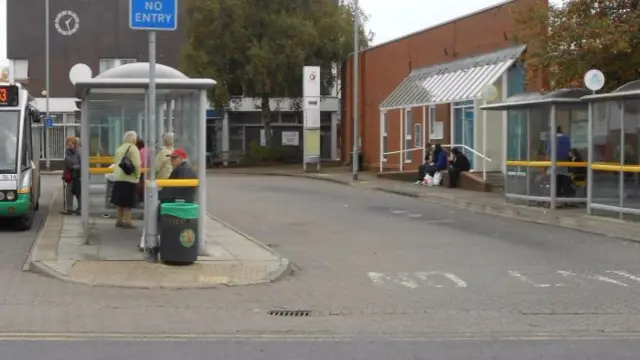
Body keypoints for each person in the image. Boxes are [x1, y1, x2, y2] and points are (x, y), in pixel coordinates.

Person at [111, 131, 142, 229]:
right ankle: (128, 222)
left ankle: (119, 220)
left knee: (119, 201)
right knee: (128, 202)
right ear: (133, 138)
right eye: (135, 137)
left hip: (118, 177)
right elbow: (136, 164)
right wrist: (137, 176)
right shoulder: (133, 148)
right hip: (129, 178)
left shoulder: (120, 148)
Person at [61, 136, 81, 214]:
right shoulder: (67, 152)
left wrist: (74, 167)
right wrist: (64, 175)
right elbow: (65, 164)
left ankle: (80, 208)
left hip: (78, 175)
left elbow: (82, 165)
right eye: (68, 144)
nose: (69, 146)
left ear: (75, 144)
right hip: (70, 175)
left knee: (78, 192)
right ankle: (69, 209)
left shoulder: (79, 152)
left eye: (71, 144)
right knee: (68, 191)